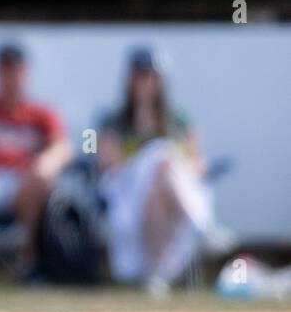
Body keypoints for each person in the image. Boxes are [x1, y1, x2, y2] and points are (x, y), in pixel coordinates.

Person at [96, 47, 230, 296]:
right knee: (160, 158)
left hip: (169, 193)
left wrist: (170, 164)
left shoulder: (178, 119)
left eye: (153, 76)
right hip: (129, 195)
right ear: (130, 79)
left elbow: (197, 163)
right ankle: (201, 225)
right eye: (142, 75)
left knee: (163, 171)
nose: (147, 82)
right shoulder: (114, 121)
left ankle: (156, 276)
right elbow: (108, 165)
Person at [0, 43, 71, 270]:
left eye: (15, 71)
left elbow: (63, 147)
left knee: (40, 175)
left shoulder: (41, 113)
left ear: (25, 73)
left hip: (24, 180)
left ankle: (28, 261)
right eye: (5, 71)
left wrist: (47, 161)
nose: (10, 78)